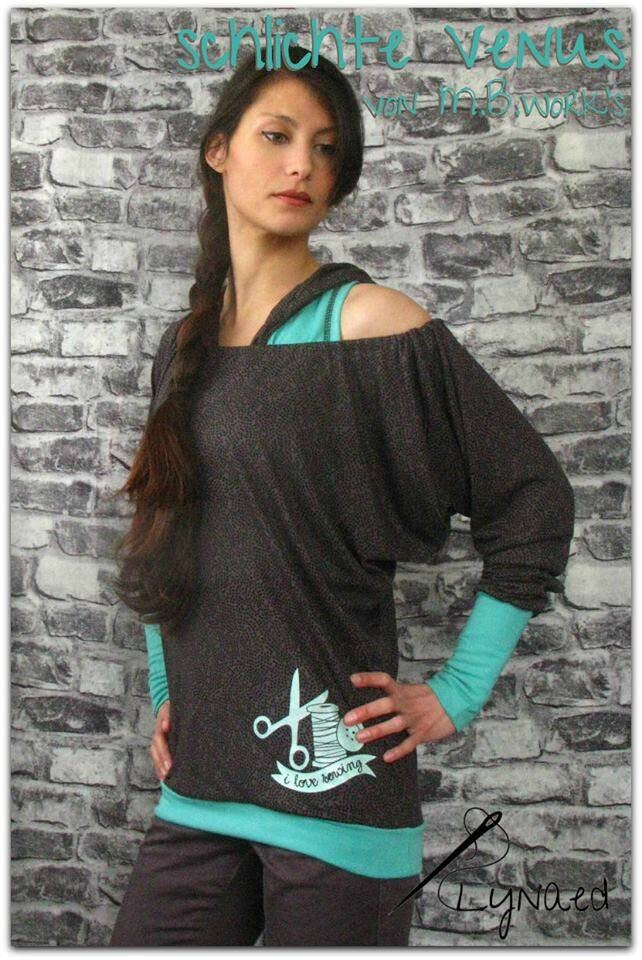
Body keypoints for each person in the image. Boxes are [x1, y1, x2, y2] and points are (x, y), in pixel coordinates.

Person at [108, 45, 575, 947]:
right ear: (218, 150)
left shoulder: (371, 326)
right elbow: (163, 532)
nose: (302, 166)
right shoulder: (183, 347)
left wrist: (457, 691)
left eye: (326, 149)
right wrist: (170, 686)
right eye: (277, 136)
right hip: (200, 782)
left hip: (337, 797)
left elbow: (534, 499)